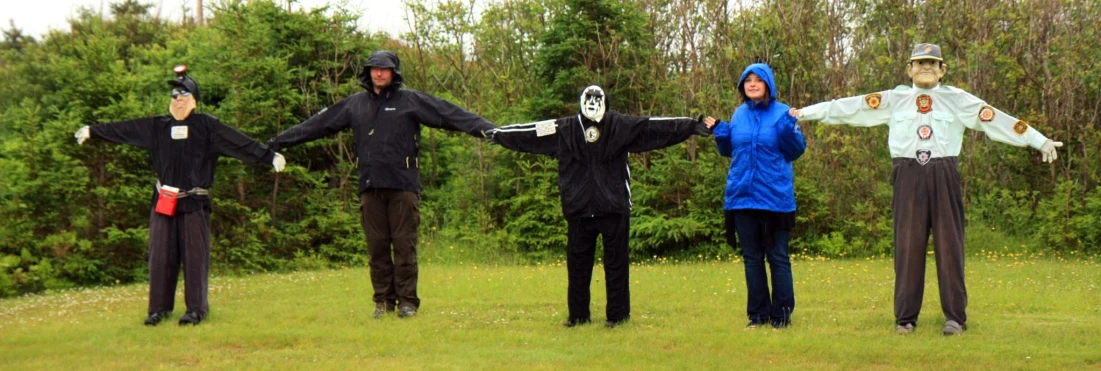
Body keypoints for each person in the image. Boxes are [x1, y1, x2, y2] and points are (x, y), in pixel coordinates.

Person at [791, 43, 1063, 335]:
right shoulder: (894, 99)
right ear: (909, 69)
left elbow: (995, 118)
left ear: (943, 70)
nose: (926, 68)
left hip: (944, 172)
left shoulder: (957, 100)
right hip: (907, 174)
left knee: (950, 246)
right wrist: (805, 113)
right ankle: (905, 318)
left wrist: (1038, 140)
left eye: (933, 63)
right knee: (907, 246)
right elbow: (848, 106)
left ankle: (955, 318)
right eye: (920, 63)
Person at [267, 50, 496, 319]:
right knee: (376, 248)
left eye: (384, 69)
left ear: (394, 72)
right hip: (370, 187)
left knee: (404, 247)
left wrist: (489, 129)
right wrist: (278, 142)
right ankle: (383, 302)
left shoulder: (410, 101)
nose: (378, 73)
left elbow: (449, 114)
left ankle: (407, 303)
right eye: (374, 68)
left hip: (403, 186)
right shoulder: (355, 105)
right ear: (368, 72)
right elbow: (318, 124)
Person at [74, 65, 287, 326]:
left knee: (195, 257)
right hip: (164, 203)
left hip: (194, 203)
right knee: (160, 256)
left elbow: (238, 142)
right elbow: (124, 130)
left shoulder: (207, 127)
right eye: (174, 94)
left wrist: (269, 156)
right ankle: (158, 309)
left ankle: (196, 310)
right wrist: (93, 131)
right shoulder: (157, 127)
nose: (177, 99)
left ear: (194, 98)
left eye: (183, 93)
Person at [488, 85, 710, 328]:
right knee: (577, 267)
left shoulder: (621, 126)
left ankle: (617, 316)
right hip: (579, 208)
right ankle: (578, 316)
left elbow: (654, 126)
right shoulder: (564, 128)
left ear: (606, 102)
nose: (592, 103)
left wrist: (691, 126)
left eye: (597, 99)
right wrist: (499, 134)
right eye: (588, 99)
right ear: (580, 101)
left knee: (617, 266)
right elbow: (531, 132)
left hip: (613, 206)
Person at [703, 63, 806, 330]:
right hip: (742, 197)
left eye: (758, 80)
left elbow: (796, 151)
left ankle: (782, 315)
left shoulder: (785, 112)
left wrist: (787, 131)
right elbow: (729, 151)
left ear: (768, 85)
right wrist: (721, 134)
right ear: (742, 86)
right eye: (747, 80)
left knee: (778, 257)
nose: (752, 84)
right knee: (752, 258)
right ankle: (757, 316)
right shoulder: (738, 115)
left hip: (775, 199)